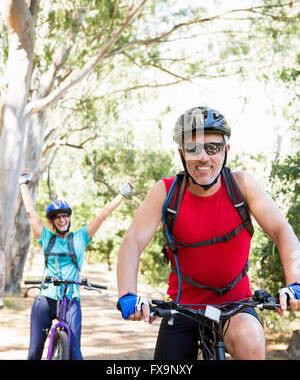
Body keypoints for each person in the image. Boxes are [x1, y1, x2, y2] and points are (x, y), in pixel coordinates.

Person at [116, 106, 300, 360]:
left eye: (212, 147)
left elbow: (281, 230)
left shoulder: (242, 186)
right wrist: (128, 294)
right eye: (193, 149)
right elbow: (133, 242)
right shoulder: (166, 192)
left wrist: (296, 282)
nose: (203, 157)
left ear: (226, 151)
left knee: (251, 338)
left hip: (237, 307)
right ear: (181, 153)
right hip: (182, 308)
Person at [19, 169, 133, 360]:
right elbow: (31, 213)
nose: (62, 220)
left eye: (65, 216)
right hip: (45, 300)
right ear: (52, 222)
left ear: (69, 218)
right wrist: (23, 183)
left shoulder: (80, 237)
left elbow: (103, 215)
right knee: (34, 353)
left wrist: (122, 194)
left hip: (71, 300)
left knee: (75, 353)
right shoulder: (46, 237)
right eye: (57, 217)